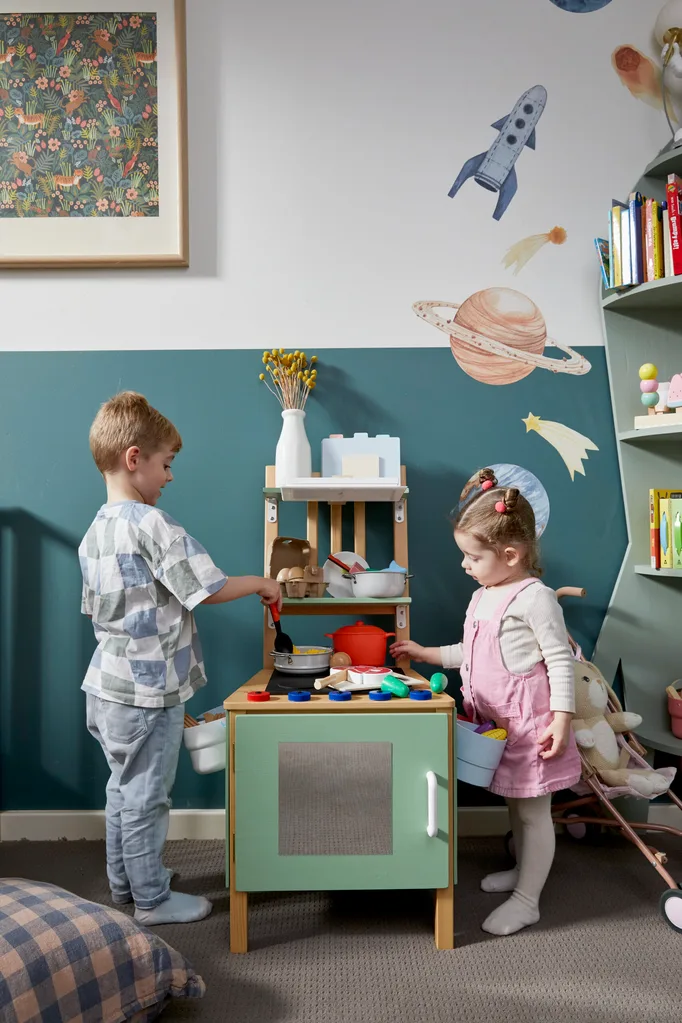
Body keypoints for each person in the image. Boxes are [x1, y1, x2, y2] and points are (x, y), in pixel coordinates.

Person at [79, 391, 281, 925]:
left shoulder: (94, 532)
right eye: (166, 464)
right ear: (134, 458)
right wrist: (261, 582)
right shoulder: (152, 524)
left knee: (123, 791)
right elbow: (205, 587)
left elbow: (97, 609)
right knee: (148, 796)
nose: (169, 476)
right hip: (148, 693)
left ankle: (126, 883)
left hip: (107, 687)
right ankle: (152, 900)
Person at [391, 467, 580, 937]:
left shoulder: (535, 598)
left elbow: (560, 660)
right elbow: (471, 652)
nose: (464, 565)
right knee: (516, 806)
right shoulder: (483, 596)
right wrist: (427, 653)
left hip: (532, 727)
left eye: (473, 556)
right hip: (498, 727)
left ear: (511, 555)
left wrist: (561, 719)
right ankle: (523, 871)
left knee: (533, 813)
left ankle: (527, 900)